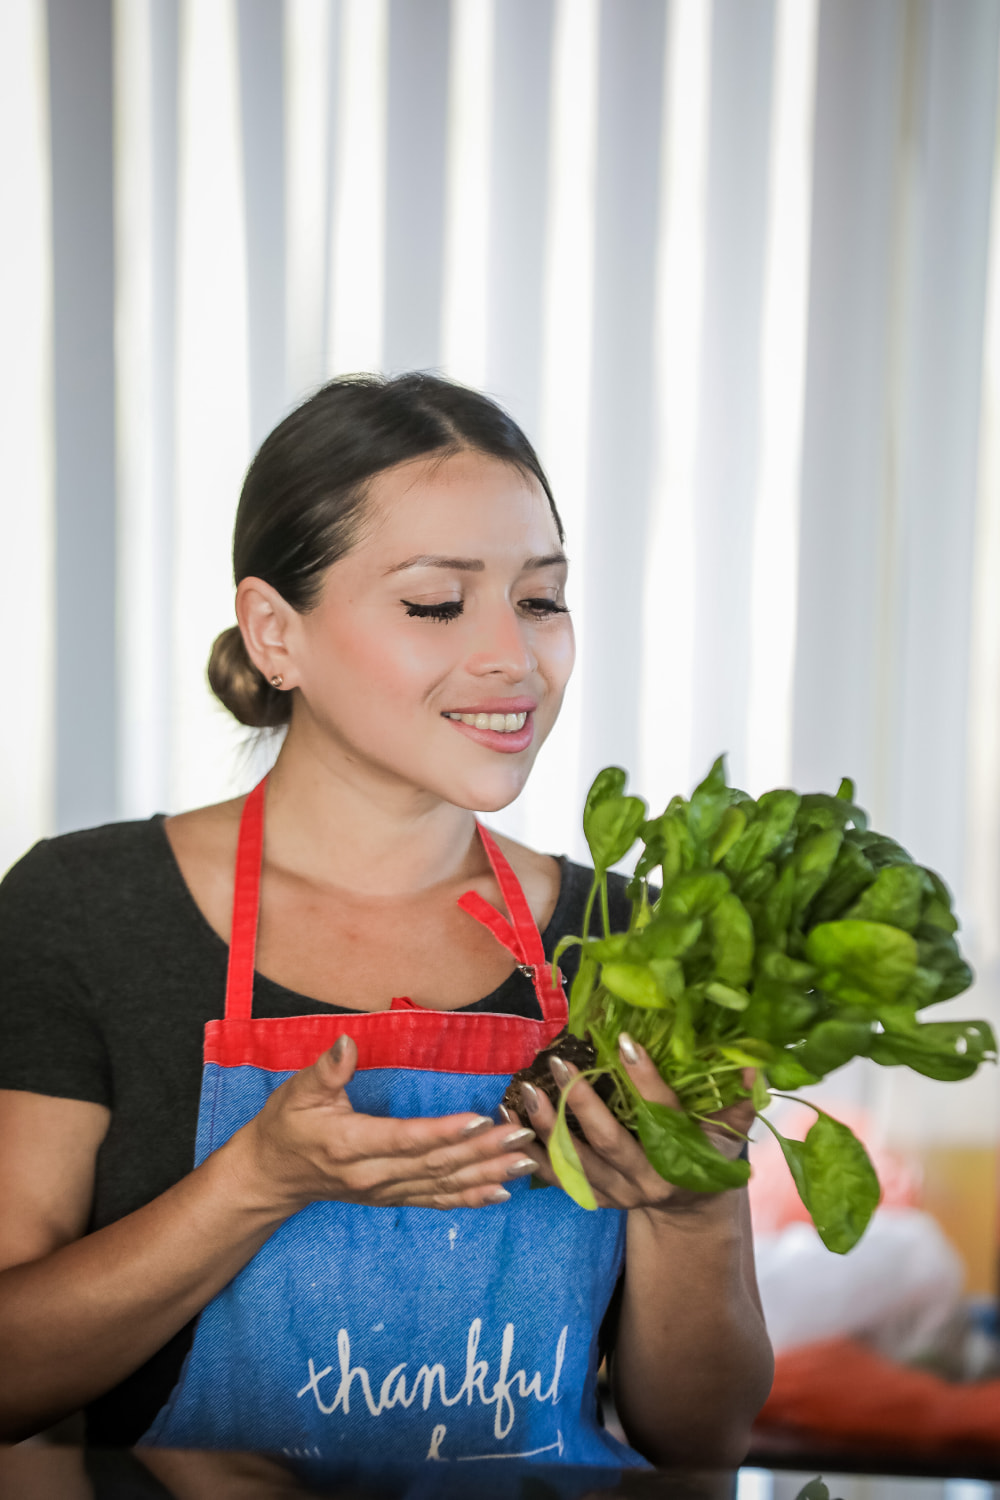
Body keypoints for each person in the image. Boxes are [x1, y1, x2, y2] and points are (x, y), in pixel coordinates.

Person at [0, 374, 772, 1475]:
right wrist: (257, 1181)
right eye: (435, 603)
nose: (514, 656)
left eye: (541, 598)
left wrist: (697, 1213)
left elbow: (697, 1433)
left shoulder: (634, 940)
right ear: (275, 632)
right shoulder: (86, 909)